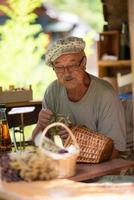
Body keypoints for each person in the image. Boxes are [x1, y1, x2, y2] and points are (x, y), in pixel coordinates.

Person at [32, 36, 126, 158]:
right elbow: (42, 144)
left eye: (73, 65)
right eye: (59, 67)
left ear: (84, 63)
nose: (66, 73)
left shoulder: (105, 95)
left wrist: (77, 137)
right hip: (75, 163)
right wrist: (40, 125)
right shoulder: (52, 91)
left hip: (114, 167)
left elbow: (114, 153)